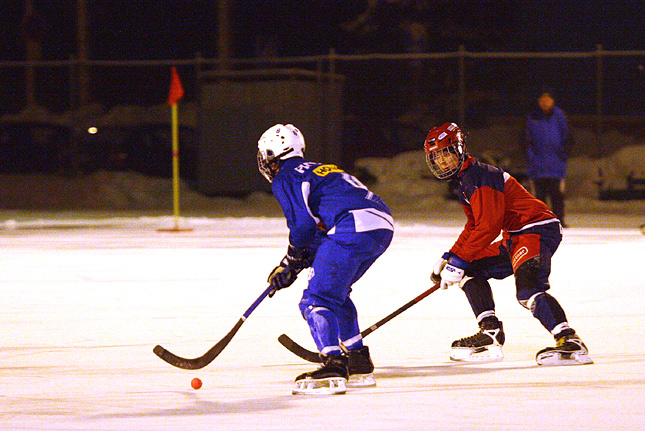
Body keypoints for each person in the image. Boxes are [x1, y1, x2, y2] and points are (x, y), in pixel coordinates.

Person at [423, 122, 591, 366]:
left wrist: (458, 260)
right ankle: (490, 332)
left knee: (528, 290)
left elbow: (488, 226)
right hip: (515, 235)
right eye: (436, 156)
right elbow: (474, 226)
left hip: (535, 229)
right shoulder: (466, 180)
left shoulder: (480, 176)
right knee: (470, 270)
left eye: (446, 153)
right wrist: (452, 256)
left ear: (459, 150)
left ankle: (569, 341)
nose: (442, 161)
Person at [257, 124, 394, 394]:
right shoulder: (319, 168)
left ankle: (332, 364)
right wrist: (292, 264)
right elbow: (320, 234)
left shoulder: (286, 175)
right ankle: (358, 361)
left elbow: (303, 227)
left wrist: (293, 259)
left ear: (271, 154)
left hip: (351, 226)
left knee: (316, 299)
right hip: (381, 226)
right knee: (336, 293)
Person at [524, 90, 573, 227]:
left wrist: (563, 155)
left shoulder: (560, 116)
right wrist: (530, 157)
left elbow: (568, 138)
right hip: (537, 165)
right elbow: (525, 140)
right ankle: (539, 221)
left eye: (548, 99)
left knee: (557, 195)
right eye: (542, 99)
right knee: (538, 196)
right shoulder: (532, 117)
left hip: (556, 165)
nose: (545, 102)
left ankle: (558, 221)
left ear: (553, 101)